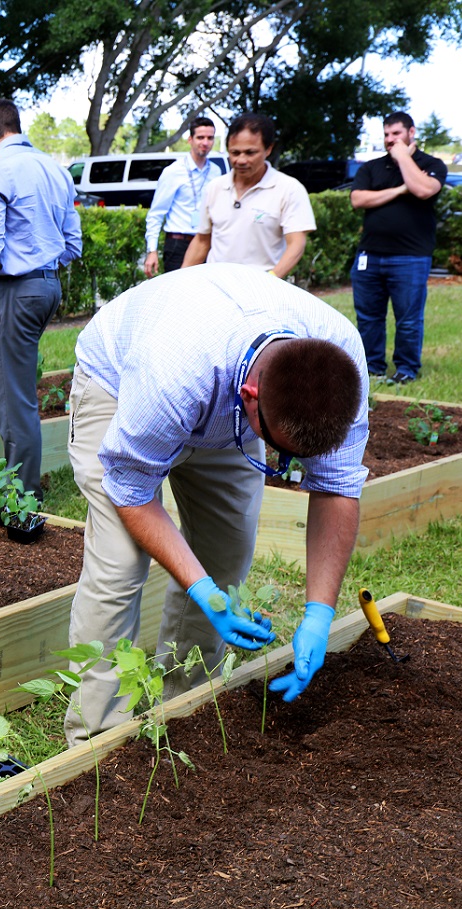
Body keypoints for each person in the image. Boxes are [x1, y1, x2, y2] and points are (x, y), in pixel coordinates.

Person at [62, 263, 369, 747]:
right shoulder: (172, 374)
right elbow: (132, 494)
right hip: (121, 386)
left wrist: (319, 614)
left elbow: (338, 488)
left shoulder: (340, 357)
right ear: (251, 396)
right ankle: (97, 740)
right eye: (280, 449)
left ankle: (185, 705)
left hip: (220, 399)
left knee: (227, 551)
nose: (288, 466)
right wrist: (202, 591)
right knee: (119, 565)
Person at [0, 98, 81, 501]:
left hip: (16, 293)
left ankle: (24, 496)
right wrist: (37, 267)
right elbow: (72, 245)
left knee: (15, 401)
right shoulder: (56, 170)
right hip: (47, 287)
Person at [349, 111, 446, 386]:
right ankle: (372, 367)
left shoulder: (432, 164)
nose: (390, 140)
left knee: (408, 319)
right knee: (368, 317)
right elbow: (358, 199)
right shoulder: (371, 168)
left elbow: (424, 189)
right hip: (369, 255)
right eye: (386, 134)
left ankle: (406, 368)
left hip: (410, 257)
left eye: (396, 134)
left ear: (411, 133)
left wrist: (403, 157)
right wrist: (401, 190)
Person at [182, 113, 315, 278]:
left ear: (268, 149)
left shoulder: (289, 189)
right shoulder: (214, 188)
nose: (241, 160)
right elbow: (202, 241)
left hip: (262, 286)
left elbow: (296, 244)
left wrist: (270, 279)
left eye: (250, 153)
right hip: (217, 286)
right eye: (235, 153)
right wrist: (181, 280)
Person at [143, 117, 221, 277]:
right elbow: (156, 213)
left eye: (210, 138)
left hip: (207, 244)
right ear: (190, 140)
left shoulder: (216, 172)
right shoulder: (173, 171)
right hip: (178, 244)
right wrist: (152, 251)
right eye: (200, 137)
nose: (205, 142)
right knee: (177, 291)